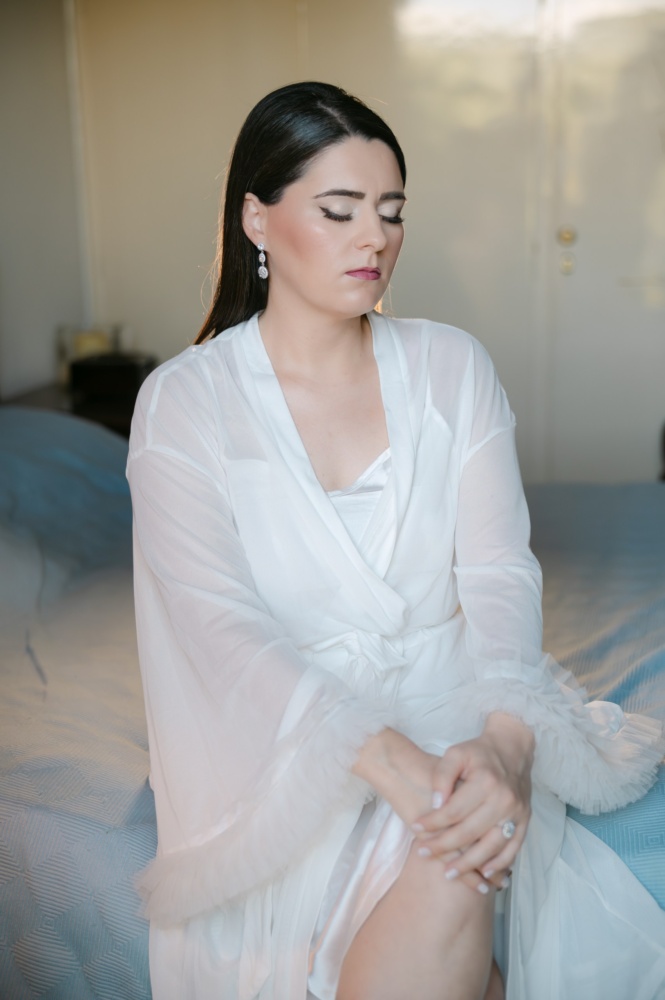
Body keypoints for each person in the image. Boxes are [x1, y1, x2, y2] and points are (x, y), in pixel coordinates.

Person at [127, 82, 665, 1000]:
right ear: (256, 220)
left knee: (458, 836)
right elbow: (217, 628)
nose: (373, 238)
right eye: (338, 211)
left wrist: (506, 743)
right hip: (285, 739)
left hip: (454, 706)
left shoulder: (451, 365)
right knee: (454, 852)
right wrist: (386, 761)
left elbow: (498, 572)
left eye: (391, 211)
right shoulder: (185, 402)